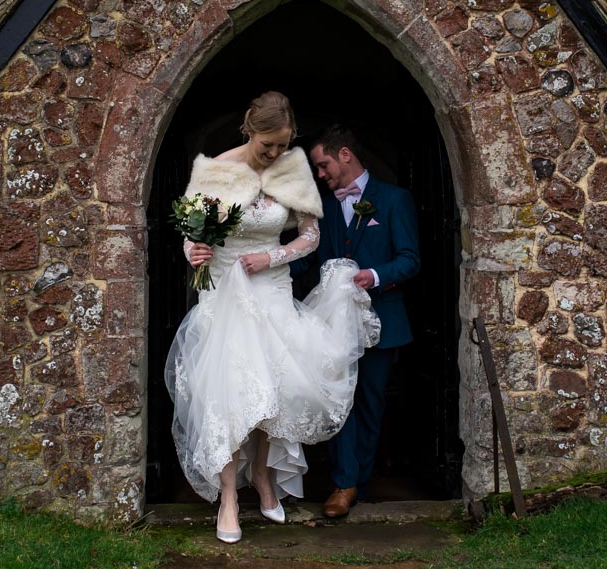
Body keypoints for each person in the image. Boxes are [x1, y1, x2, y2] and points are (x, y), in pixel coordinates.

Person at [165, 92, 380, 544]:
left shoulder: (292, 168)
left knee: (274, 391)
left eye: (283, 144)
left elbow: (311, 236)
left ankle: (262, 475)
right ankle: (228, 497)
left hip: (272, 289)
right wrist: (194, 251)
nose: (275, 154)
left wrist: (272, 255)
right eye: (268, 145)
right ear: (249, 130)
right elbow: (190, 233)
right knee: (229, 394)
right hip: (225, 294)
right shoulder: (216, 170)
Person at [298, 125, 420, 518]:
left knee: (369, 403)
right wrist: (263, 261)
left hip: (380, 320)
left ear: (345, 155)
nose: (321, 174)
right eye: (318, 169)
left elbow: (410, 259)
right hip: (331, 322)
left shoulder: (394, 199)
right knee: (339, 401)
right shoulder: (324, 207)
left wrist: (375, 276)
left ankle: (359, 483)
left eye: (323, 165)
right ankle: (344, 482)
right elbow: (309, 260)